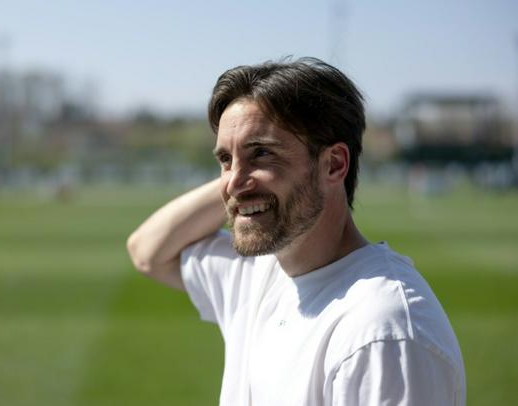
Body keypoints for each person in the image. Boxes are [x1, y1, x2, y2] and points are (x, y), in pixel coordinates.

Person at [127, 57, 465, 405]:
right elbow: (147, 251)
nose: (231, 183)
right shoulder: (258, 273)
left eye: (262, 152)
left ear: (333, 164)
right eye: (225, 159)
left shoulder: (383, 333)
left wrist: (244, 178)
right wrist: (243, 179)